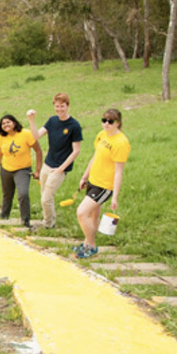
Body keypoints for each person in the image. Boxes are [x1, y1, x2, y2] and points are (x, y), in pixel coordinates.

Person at [75, 108, 130, 259]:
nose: (106, 124)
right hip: (93, 180)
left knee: (81, 212)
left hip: (104, 186)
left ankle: (91, 245)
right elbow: (95, 157)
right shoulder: (102, 135)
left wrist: (115, 197)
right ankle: (87, 243)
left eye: (110, 121)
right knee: (93, 215)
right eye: (104, 120)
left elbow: (119, 171)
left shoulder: (121, 143)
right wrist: (84, 177)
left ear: (118, 123)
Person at [27, 93, 83, 229]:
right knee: (44, 197)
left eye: (62, 106)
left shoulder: (74, 125)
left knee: (46, 198)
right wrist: (31, 121)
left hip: (60, 168)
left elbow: (76, 151)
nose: (59, 109)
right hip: (48, 163)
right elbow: (36, 136)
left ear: (68, 106)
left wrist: (61, 169)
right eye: (57, 106)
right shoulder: (52, 121)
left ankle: (48, 224)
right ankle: (48, 221)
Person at [0, 113, 43, 228]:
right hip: (6, 169)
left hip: (23, 170)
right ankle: (4, 216)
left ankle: (25, 220)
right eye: (3, 123)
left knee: (23, 193)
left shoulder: (26, 134)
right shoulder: (2, 137)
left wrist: (38, 170)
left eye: (8, 122)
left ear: (14, 123)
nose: (6, 125)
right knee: (7, 194)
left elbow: (38, 151)